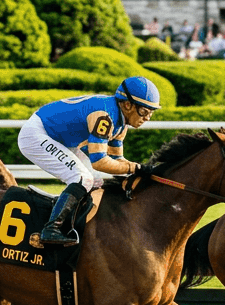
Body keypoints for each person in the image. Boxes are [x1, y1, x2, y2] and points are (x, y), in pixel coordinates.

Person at [17, 76, 159, 246]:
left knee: (96, 180)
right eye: (144, 111)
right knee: (82, 178)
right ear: (128, 105)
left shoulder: (121, 123)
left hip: (60, 138)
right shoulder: (105, 116)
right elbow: (99, 162)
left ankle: (77, 223)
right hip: (37, 134)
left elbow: (116, 160)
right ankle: (51, 229)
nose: (147, 118)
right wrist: (135, 167)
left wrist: (137, 171)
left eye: (151, 112)